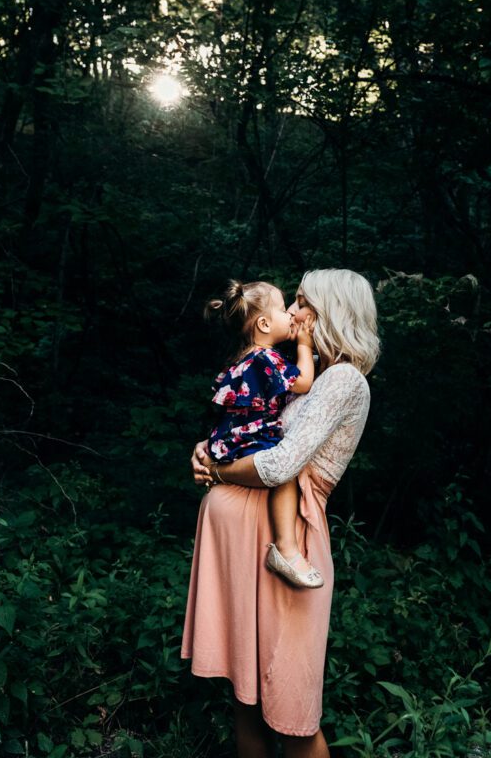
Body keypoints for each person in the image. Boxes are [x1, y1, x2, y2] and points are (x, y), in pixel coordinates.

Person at [182, 269, 379, 758]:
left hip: (289, 543)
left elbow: (280, 463)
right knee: (247, 700)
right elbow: (254, 426)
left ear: (330, 312)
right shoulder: (300, 379)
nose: (291, 313)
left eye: (301, 302)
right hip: (247, 537)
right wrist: (206, 449)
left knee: (292, 712)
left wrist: (221, 472)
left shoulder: (344, 379)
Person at [205, 278, 323, 588]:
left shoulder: (241, 360)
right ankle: (286, 547)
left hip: (228, 437)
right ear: (265, 324)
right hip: (253, 438)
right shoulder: (266, 359)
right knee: (285, 472)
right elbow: (303, 384)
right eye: (284, 310)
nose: (290, 316)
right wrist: (305, 345)